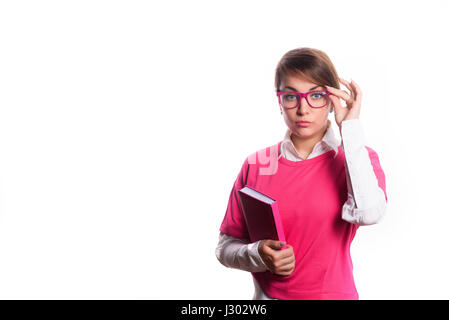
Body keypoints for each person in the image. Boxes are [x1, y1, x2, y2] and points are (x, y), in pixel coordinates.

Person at [215, 47, 388, 300]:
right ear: (279, 101)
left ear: (332, 100)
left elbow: (369, 214)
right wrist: (257, 253)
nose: (303, 109)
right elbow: (224, 247)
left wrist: (349, 128)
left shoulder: (355, 158)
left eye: (316, 95)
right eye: (291, 96)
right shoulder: (257, 164)